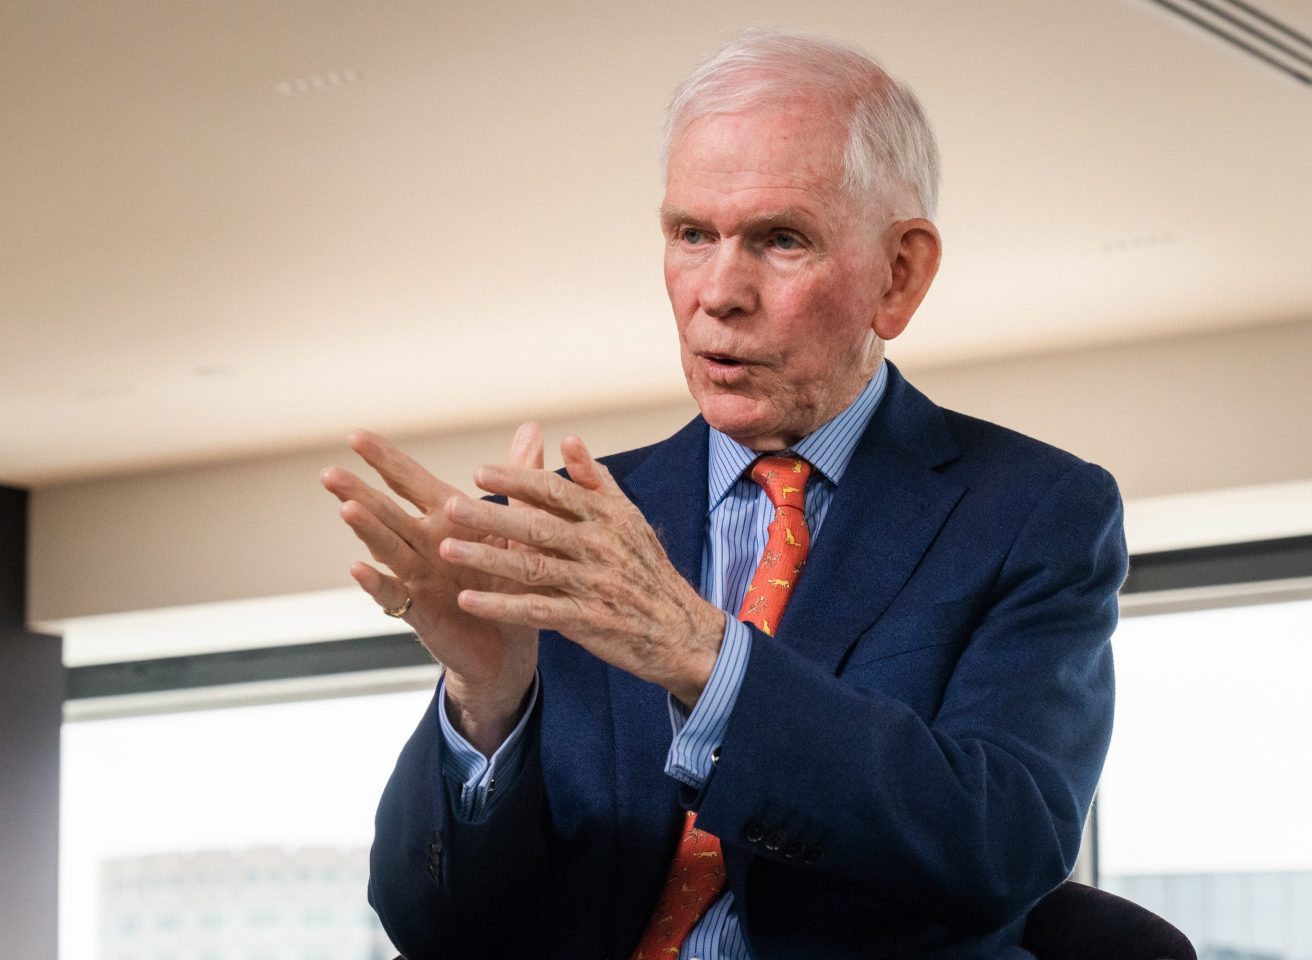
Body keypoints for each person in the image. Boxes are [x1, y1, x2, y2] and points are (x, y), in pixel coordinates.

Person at [321, 29, 1126, 960]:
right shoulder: (567, 530)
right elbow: (434, 930)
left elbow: (1001, 846)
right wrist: (487, 701)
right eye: (691, 235)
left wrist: (703, 655)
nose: (718, 293)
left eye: (780, 240)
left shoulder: (1034, 512)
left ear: (898, 274)